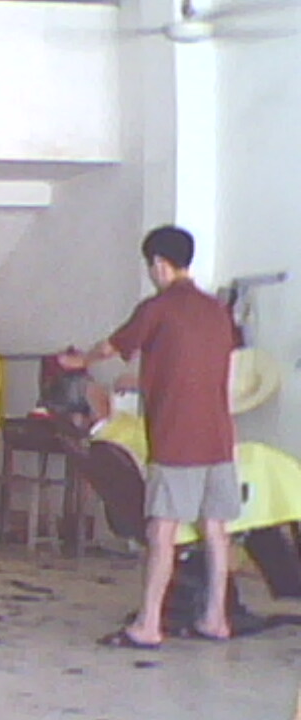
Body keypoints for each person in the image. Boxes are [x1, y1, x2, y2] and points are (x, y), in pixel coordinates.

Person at [59, 226, 238, 648]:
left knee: (162, 531)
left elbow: (110, 347)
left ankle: (149, 624)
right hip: (219, 437)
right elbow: (192, 365)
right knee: (216, 529)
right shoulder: (218, 311)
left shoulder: (158, 308)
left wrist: (78, 361)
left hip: (177, 439)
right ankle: (216, 619)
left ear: (158, 263)